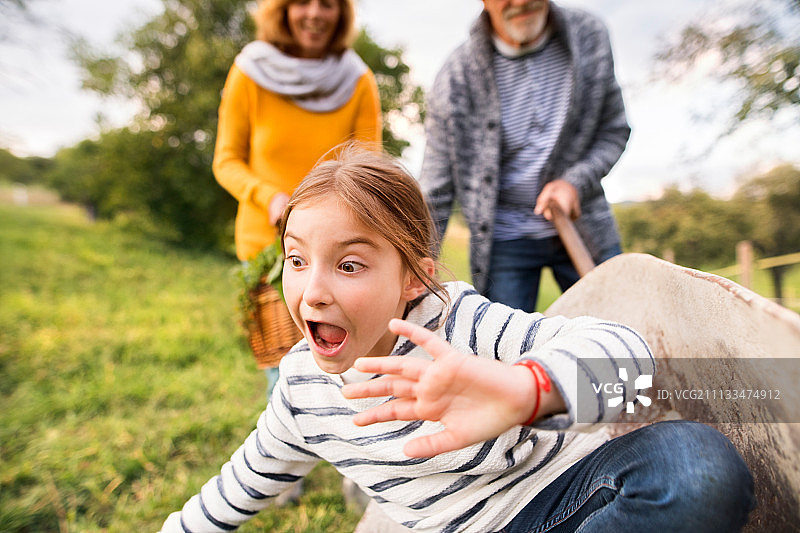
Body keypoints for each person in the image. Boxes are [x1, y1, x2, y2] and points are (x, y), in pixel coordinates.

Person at [159, 144, 754, 532]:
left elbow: (631, 359)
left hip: (566, 504)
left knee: (696, 465)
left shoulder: (458, 324)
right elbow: (230, 494)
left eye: (348, 265)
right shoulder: (300, 393)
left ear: (413, 277)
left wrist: (526, 389)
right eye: (296, 259)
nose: (311, 291)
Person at [212, 0, 381, 398]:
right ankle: (286, 451)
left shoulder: (357, 80)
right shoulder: (250, 72)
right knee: (284, 376)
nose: (315, 13)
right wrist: (269, 198)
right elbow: (226, 160)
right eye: (302, 2)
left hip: (340, 249)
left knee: (346, 373)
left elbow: (368, 165)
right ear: (282, 9)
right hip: (267, 249)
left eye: (328, 4)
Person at [420, 0, 629, 312]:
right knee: (504, 354)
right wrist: (413, 265)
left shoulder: (590, 36)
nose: (520, 2)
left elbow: (613, 131)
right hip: (504, 242)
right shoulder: (454, 79)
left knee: (621, 337)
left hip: (585, 228)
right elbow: (434, 190)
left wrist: (574, 182)